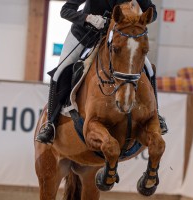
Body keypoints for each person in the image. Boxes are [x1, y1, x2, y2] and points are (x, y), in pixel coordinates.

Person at [35, 0, 168, 145]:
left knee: (149, 69)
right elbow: (66, 10)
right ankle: (50, 124)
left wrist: (138, 19)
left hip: (121, 39)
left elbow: (152, 11)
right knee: (60, 71)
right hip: (85, 35)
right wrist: (88, 18)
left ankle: (156, 115)